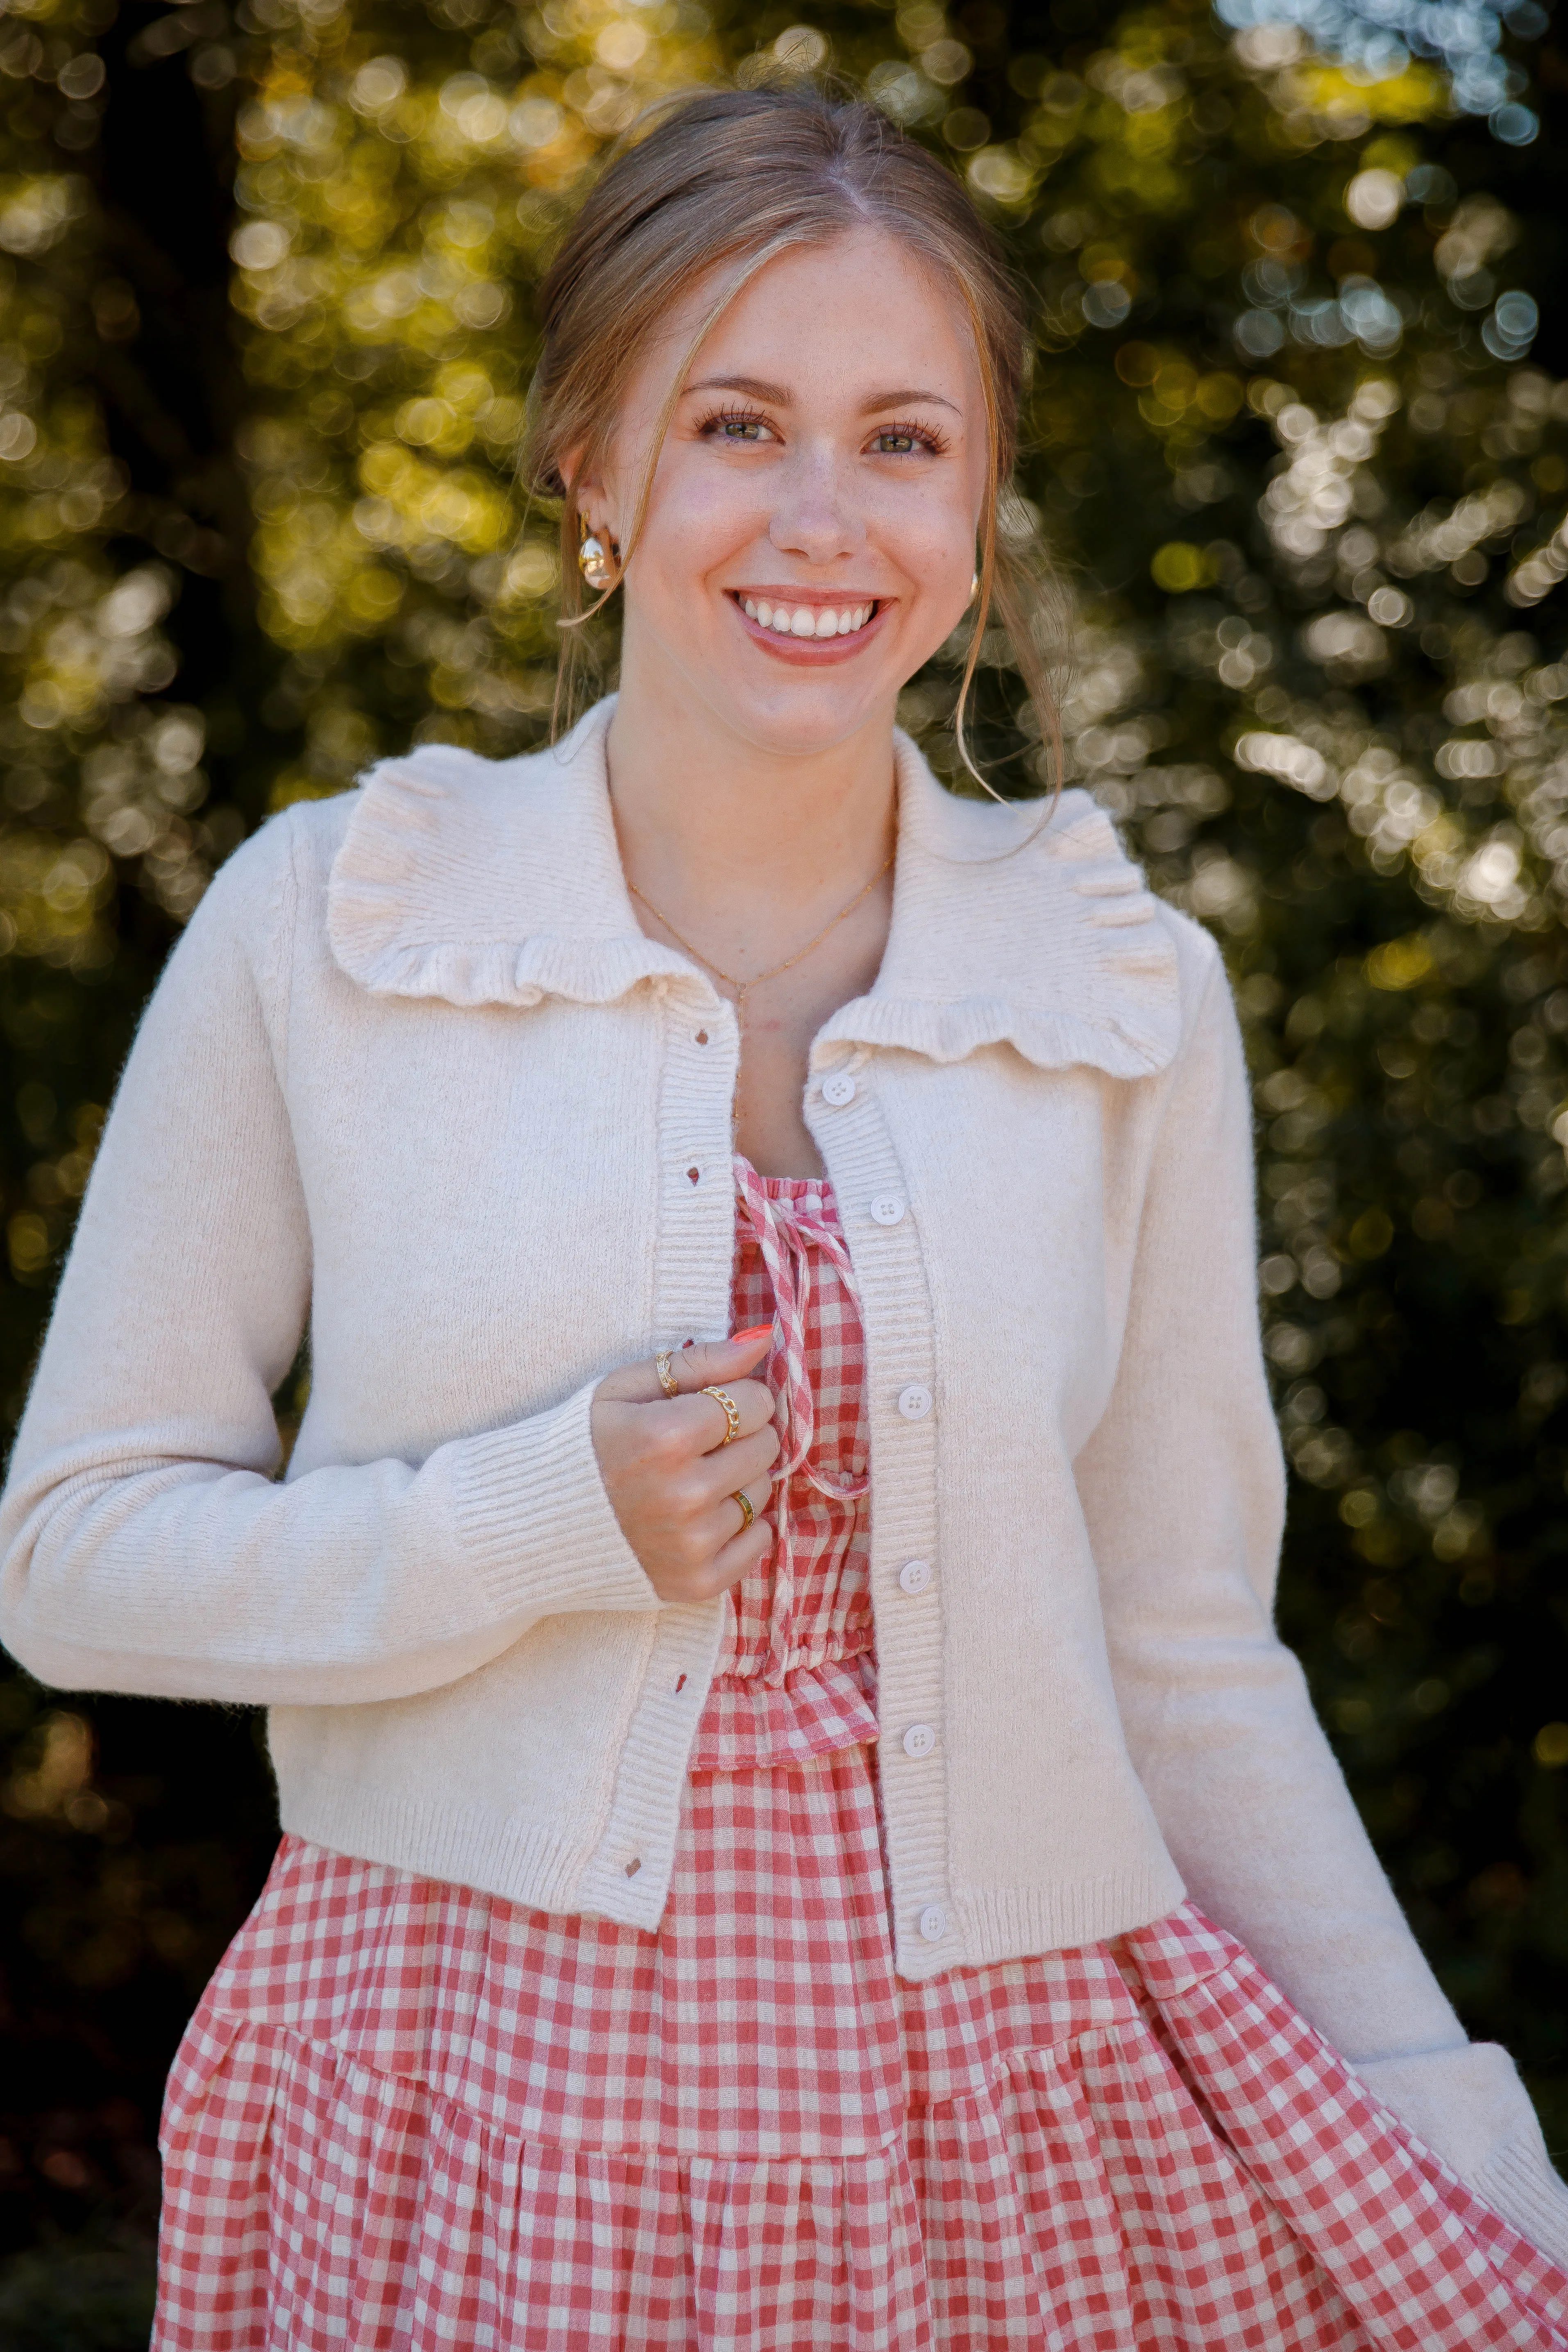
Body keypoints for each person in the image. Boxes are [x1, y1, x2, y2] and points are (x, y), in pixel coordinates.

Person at [1, 81, 1565, 2352]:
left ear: (982, 500)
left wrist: (1444, 2128)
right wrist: (534, 1523)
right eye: (735, 422)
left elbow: (1189, 1647)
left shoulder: (1118, 995)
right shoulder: (335, 924)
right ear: (592, 472)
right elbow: (74, 1555)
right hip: (466, 2103)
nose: (823, 519)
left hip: (1008, 2128)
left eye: (905, 440)